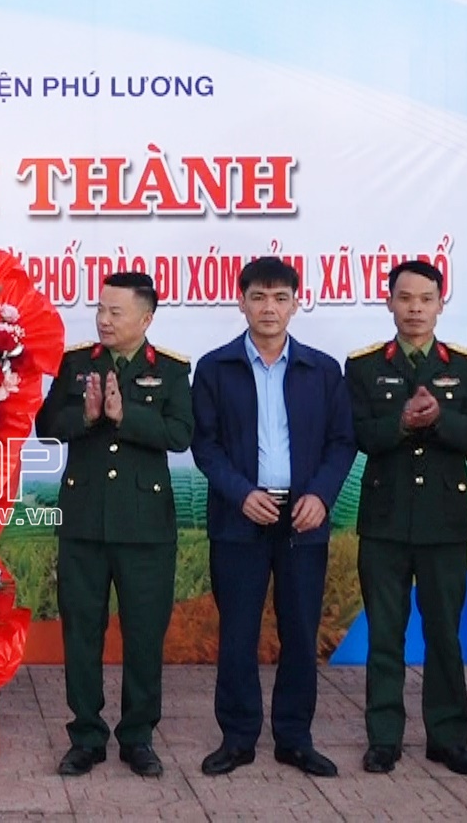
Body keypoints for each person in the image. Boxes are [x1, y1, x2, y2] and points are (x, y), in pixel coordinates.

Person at [191, 256, 354, 778]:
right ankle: (238, 738)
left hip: (303, 516)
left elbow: (341, 442)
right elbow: (205, 445)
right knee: (237, 633)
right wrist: (241, 493)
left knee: (300, 631)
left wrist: (321, 496)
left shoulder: (322, 370)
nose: (269, 308)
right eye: (259, 297)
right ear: (241, 302)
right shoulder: (215, 368)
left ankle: (295, 738)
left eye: (281, 298)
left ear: (296, 304)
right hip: (240, 515)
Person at [36, 271, 193, 778]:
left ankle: (138, 737)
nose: (104, 320)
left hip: (145, 526)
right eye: (100, 310)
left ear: (145, 319)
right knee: (82, 631)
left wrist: (126, 417)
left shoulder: (171, 370)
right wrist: (85, 417)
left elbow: (181, 433)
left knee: (144, 634)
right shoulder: (77, 363)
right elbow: (46, 426)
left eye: (115, 312)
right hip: (84, 520)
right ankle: (86, 735)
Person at [347, 259, 467, 778]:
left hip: (443, 523)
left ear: (440, 304)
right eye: (405, 298)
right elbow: (360, 435)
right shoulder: (364, 366)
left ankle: (448, 739)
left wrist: (440, 419)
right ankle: (384, 738)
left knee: (444, 635)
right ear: (389, 302)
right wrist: (403, 422)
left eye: (426, 299)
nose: (415, 309)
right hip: (384, 521)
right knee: (385, 636)